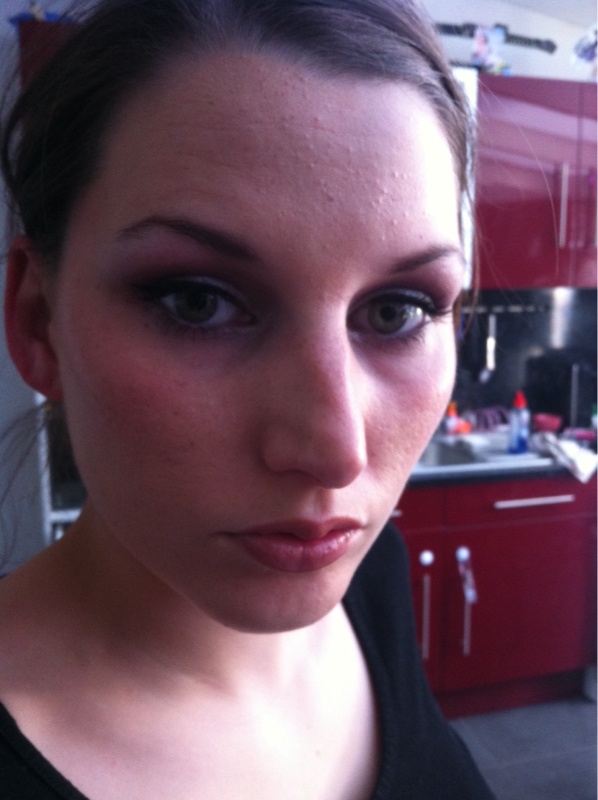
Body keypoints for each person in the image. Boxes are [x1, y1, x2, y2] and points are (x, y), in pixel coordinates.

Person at [0, 0, 495, 797]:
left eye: (397, 311)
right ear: (38, 324)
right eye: (197, 302)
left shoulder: (370, 580)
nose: (335, 451)